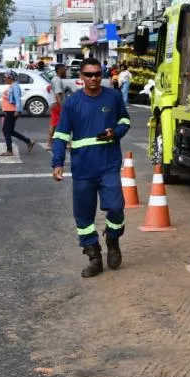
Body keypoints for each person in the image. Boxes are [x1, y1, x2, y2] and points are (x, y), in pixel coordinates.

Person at [51, 58, 132, 278]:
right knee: (84, 217)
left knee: (116, 206)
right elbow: (60, 135)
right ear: (81, 77)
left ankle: (113, 240)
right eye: (89, 74)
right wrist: (57, 162)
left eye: (97, 74)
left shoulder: (113, 97)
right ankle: (94, 255)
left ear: (102, 75)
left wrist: (115, 132)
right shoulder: (72, 103)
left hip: (108, 165)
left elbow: (125, 122)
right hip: (83, 169)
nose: (93, 78)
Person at [1, 71, 35, 157]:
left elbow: (17, 99)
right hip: (9, 111)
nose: (4, 79)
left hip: (12, 111)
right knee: (10, 131)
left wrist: (17, 110)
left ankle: (9, 150)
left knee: (6, 130)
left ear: (10, 78)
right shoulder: (11, 86)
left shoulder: (15, 87)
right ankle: (28, 141)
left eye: (5, 77)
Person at [49, 65, 67, 142]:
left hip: (55, 104)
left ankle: (50, 142)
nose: (66, 71)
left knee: (54, 124)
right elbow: (57, 94)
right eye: (64, 69)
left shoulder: (55, 79)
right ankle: (50, 142)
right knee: (65, 123)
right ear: (60, 70)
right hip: (57, 105)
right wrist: (62, 106)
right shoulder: (57, 80)